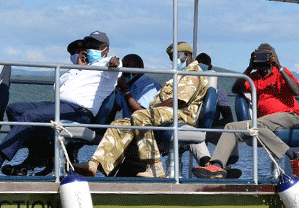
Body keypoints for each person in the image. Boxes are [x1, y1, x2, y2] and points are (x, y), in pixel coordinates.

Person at [0, 31, 121, 176]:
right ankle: (37, 155)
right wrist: (78, 68)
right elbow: (57, 87)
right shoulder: (82, 68)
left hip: (79, 111)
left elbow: (117, 66)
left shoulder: (107, 65)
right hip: (61, 105)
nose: (90, 48)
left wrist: (115, 61)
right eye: (89, 45)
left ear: (105, 49)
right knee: (15, 109)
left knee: (31, 116)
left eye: (95, 45)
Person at [77, 42, 208, 178]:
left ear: (186, 55)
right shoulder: (179, 75)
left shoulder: (193, 74)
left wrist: (153, 108)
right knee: (119, 124)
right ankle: (94, 164)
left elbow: (177, 101)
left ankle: (154, 166)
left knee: (141, 116)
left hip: (181, 114)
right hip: (165, 113)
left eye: (174, 56)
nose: (172, 61)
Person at [192, 43, 299, 179]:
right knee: (230, 127)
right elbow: (235, 88)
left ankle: (294, 157)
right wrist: (249, 67)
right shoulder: (254, 77)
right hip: (263, 122)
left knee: (258, 125)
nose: (262, 59)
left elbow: (296, 91)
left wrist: (279, 66)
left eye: (266, 56)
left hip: (289, 116)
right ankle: (217, 166)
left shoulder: (280, 73)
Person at [114, 54, 160, 119]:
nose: (124, 71)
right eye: (123, 67)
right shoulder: (128, 84)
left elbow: (141, 113)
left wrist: (125, 91)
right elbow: (116, 107)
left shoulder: (150, 86)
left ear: (137, 68)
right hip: (127, 126)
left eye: (127, 67)